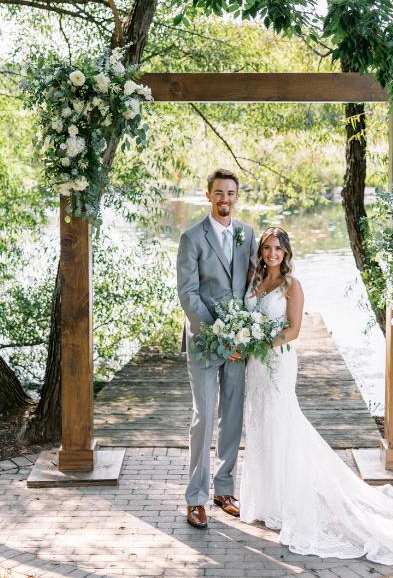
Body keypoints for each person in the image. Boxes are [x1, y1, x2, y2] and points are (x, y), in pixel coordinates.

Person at [240, 227, 393, 565]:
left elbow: (294, 330)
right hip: (255, 368)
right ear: (261, 251)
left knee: (281, 425)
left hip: (278, 363)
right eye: (267, 248)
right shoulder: (254, 281)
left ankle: (286, 502)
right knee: (258, 427)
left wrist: (257, 343)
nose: (272, 254)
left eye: (278, 249)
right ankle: (263, 501)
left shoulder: (292, 286)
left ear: (286, 253)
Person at [176, 168, 257, 529]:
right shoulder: (191, 237)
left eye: (231, 193)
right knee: (204, 416)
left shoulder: (247, 234)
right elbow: (188, 293)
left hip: (239, 345)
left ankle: (225, 489)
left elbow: (253, 285)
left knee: (232, 418)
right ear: (208, 196)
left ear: (237, 197)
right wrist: (218, 333)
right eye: (219, 193)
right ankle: (196, 498)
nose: (225, 199)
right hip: (206, 342)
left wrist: (248, 332)